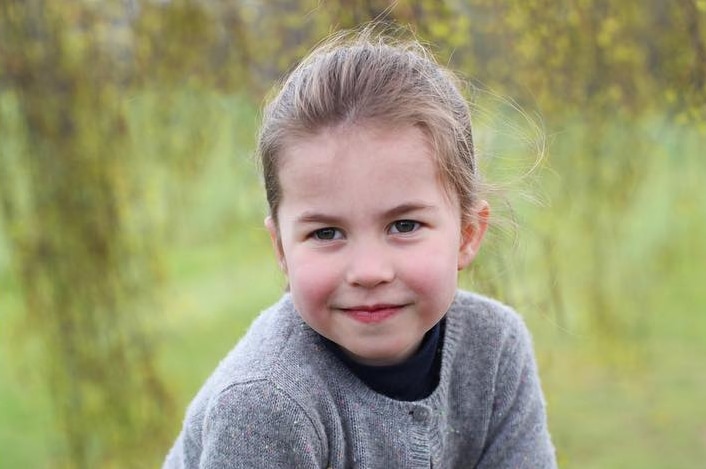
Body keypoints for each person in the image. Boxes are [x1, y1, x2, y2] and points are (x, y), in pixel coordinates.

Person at [164, 27, 557, 468]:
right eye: (326, 233)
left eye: (404, 225)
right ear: (281, 249)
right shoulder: (265, 405)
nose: (369, 271)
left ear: (467, 234)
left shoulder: (495, 349)